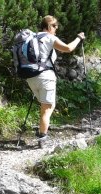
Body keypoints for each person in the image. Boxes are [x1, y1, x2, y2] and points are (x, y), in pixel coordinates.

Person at [27, 15, 85, 148]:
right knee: (48, 108)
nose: (56, 28)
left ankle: (42, 130)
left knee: (44, 106)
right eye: (54, 25)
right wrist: (79, 38)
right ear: (47, 26)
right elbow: (68, 48)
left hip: (30, 77)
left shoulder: (32, 37)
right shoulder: (49, 37)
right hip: (45, 77)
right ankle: (42, 138)